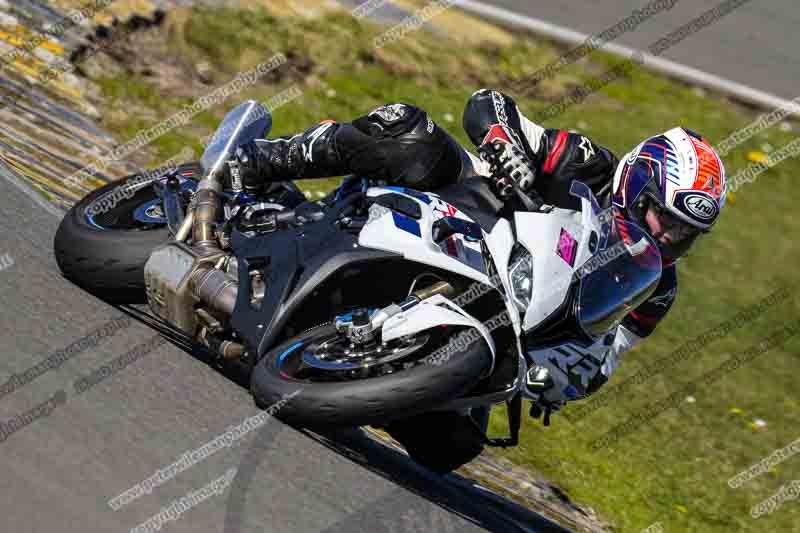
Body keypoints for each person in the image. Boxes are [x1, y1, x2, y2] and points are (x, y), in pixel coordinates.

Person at [225, 89, 727, 414]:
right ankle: (261, 161)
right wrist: (505, 143)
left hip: (505, 322)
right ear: (637, 185)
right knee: (408, 133)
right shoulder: (588, 164)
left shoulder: (656, 285)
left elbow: (608, 352)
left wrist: (568, 380)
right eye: (667, 219)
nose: (668, 239)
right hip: (461, 220)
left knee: (451, 449)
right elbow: (489, 104)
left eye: (685, 234)